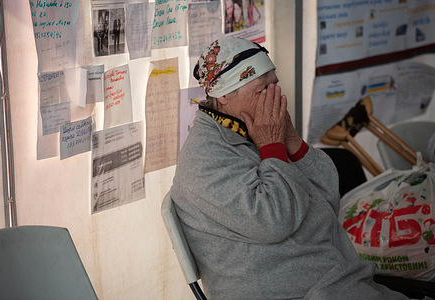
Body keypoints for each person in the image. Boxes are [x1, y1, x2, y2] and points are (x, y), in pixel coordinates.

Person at [170, 37, 408, 299]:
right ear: (224, 95)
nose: (275, 96)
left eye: (275, 84)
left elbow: (329, 196)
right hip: (293, 291)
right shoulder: (205, 157)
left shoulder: (252, 128)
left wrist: (291, 140)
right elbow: (273, 221)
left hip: (332, 278)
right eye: (262, 89)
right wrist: (272, 146)